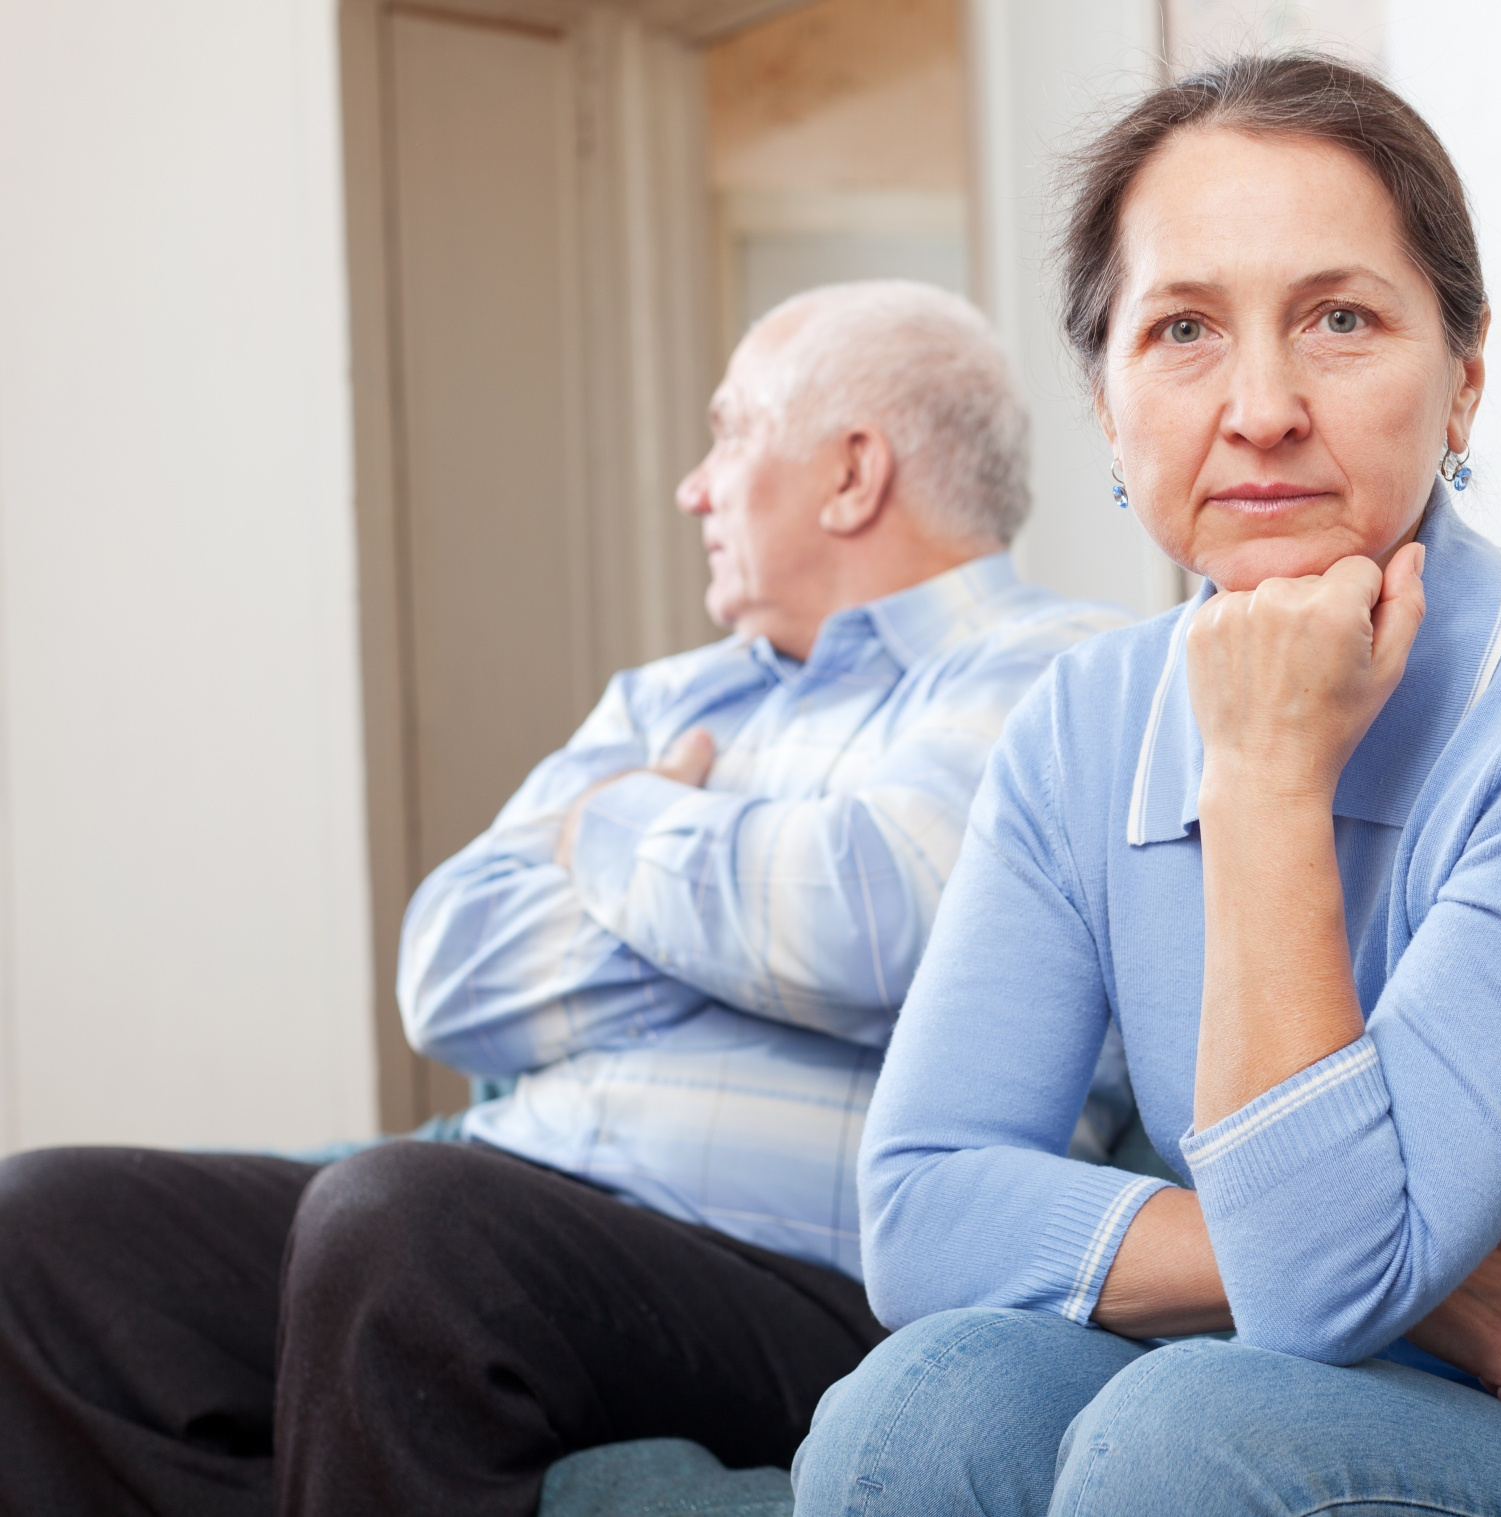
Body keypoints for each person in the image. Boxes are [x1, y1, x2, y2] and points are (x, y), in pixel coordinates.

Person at [791, 57, 1501, 1517]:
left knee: (1191, 1430)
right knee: (920, 1413)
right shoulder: (1083, 721)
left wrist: (1258, 771)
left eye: (1342, 319)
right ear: (1108, 411)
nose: (1261, 407)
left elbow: (1314, 1294)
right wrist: (1442, 1288)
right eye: (1182, 328)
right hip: (1307, 1396)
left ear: (1463, 383)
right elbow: (920, 1212)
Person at [0, 281, 1134, 1517]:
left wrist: (623, 822)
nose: (693, 487)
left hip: (804, 1273)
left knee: (407, 1226)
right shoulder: (669, 699)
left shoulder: (1057, 672)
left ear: (853, 472)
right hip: (523, 1189)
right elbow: (450, 967)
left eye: (729, 432)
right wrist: (730, 918)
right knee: (50, 1229)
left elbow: (867, 921)